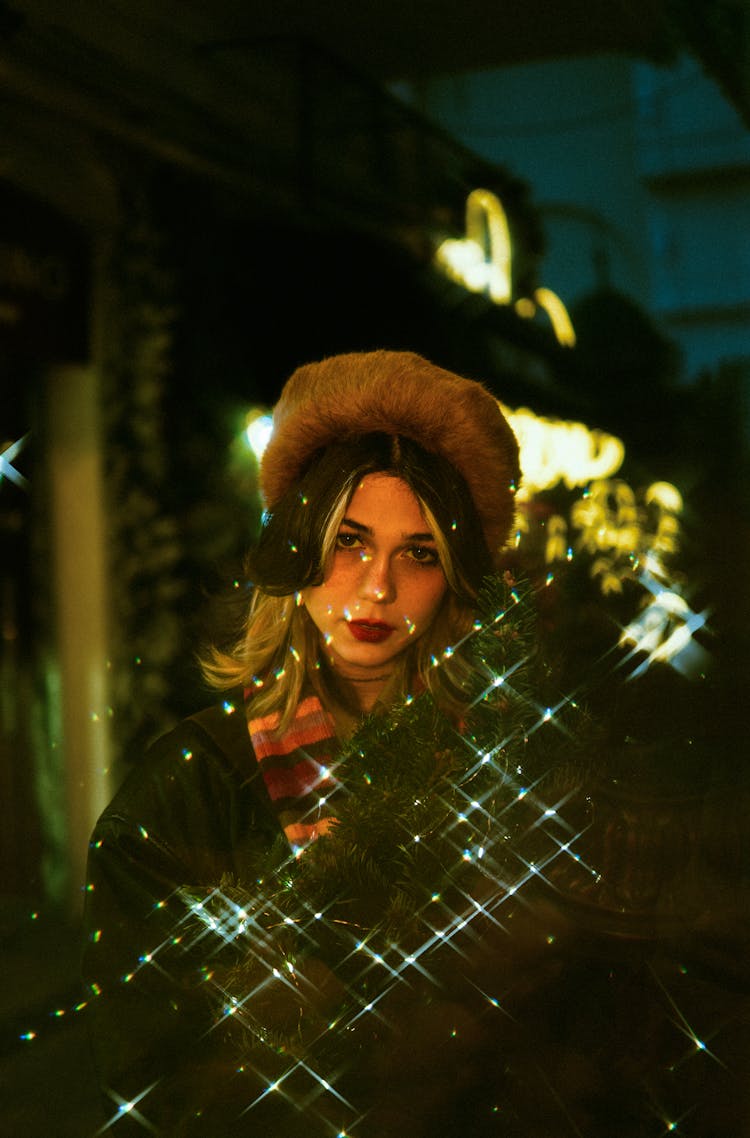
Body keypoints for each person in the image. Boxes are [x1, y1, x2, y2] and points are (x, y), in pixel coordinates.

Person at [83, 349, 562, 1136]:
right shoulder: (192, 784)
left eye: (419, 553)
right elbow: (149, 1079)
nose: (377, 587)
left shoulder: (506, 764)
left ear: (457, 578)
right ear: (296, 544)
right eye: (348, 540)